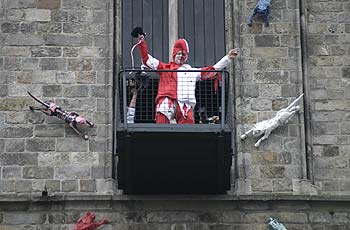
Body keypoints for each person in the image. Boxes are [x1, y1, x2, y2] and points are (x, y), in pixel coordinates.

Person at [131, 27, 238, 124]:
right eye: (178, 53)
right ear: (174, 54)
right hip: (167, 99)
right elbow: (146, 60)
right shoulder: (165, 68)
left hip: (185, 103)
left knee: (188, 125)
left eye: (183, 54)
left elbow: (212, 70)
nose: (180, 56)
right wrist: (141, 41)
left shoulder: (191, 71)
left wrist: (227, 58)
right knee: (162, 115)